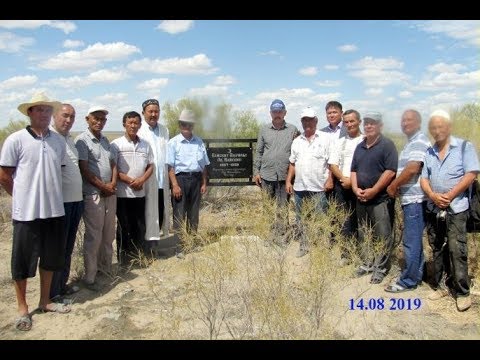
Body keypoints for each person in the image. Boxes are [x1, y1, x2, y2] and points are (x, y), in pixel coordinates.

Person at [0, 92, 71, 331]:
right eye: (38, 109)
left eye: (47, 110)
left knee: (50, 259)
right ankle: (22, 308)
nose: (43, 113)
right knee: (22, 261)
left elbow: (57, 172)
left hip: (53, 210)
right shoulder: (15, 140)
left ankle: (45, 301)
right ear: (29, 112)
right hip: (26, 214)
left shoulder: (58, 142)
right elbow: (5, 176)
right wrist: (22, 197)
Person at [420, 109, 479, 311]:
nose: (437, 131)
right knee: (437, 245)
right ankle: (440, 285)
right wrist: (433, 195)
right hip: (434, 206)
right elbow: (424, 178)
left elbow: (471, 173)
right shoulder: (429, 151)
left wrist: (451, 194)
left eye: (441, 126)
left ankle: (462, 292)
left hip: (457, 207)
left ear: (449, 127)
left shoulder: (464, 147)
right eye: (433, 127)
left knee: (456, 248)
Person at [384, 110, 431, 293]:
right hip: (410, 198)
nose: (405, 123)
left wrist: (394, 186)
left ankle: (408, 281)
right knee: (414, 241)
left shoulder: (419, 141)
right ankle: (414, 276)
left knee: (411, 241)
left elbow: (412, 168)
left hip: (416, 199)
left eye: (409, 120)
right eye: (403, 120)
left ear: (419, 123)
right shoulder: (411, 142)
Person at [351, 111, 398, 285]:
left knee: (382, 235)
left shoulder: (387, 145)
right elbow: (354, 170)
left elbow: (390, 171)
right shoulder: (360, 146)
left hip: (380, 199)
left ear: (380, 126)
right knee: (364, 233)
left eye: (373, 123)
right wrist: (356, 189)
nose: (369, 126)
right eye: (367, 123)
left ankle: (381, 268)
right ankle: (367, 264)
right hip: (361, 198)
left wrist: (374, 190)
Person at [75, 106, 117, 291]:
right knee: (94, 236)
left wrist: (113, 184)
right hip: (94, 195)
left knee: (108, 234)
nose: (99, 122)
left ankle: (105, 269)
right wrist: (103, 186)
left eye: (103, 119)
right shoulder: (82, 141)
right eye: (96, 118)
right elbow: (84, 169)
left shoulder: (105, 141)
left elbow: (113, 164)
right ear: (87, 119)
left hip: (109, 193)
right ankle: (90, 276)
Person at [49, 104, 84, 299]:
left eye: (72, 117)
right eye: (64, 116)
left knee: (68, 247)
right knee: (57, 249)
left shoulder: (69, 139)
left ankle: (62, 285)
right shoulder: (50, 139)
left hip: (76, 201)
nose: (68, 120)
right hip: (59, 204)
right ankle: (52, 292)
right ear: (55, 116)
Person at [286, 107, 330, 257]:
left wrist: (330, 180)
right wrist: (288, 181)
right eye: (304, 120)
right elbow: (292, 163)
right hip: (300, 187)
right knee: (302, 218)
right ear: (301, 122)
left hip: (319, 188)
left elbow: (331, 163)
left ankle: (323, 247)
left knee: (321, 218)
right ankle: (304, 246)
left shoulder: (325, 139)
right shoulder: (297, 141)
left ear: (316, 121)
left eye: (310, 119)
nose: (307, 123)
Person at [111, 111, 154, 265]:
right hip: (123, 195)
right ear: (124, 124)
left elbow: (151, 166)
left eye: (136, 123)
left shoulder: (145, 145)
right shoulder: (116, 144)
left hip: (140, 194)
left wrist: (142, 179)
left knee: (139, 226)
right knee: (123, 227)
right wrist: (130, 180)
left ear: (140, 125)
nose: (133, 126)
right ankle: (123, 259)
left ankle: (139, 257)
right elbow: (113, 167)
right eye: (130, 123)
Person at [167, 109, 210, 258]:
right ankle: (179, 246)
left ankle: (190, 243)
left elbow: (204, 165)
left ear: (193, 125)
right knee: (179, 214)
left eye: (189, 124)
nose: (187, 126)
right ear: (180, 124)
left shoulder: (199, 142)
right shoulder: (173, 142)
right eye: (184, 124)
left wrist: (204, 183)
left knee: (193, 213)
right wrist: (174, 185)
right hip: (180, 180)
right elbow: (170, 167)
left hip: (196, 180)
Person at [254, 99, 298, 242]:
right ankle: (268, 235)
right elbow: (259, 151)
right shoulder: (264, 130)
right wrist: (256, 172)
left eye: (280, 111)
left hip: (285, 177)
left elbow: (297, 151)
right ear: (270, 113)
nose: (277, 114)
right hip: (267, 175)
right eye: (274, 111)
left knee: (283, 207)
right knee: (267, 207)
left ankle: (281, 236)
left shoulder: (293, 130)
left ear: (285, 113)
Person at [138, 99, 170, 244]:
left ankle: (155, 242)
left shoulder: (164, 130)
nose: (153, 114)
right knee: (145, 213)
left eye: (156, 111)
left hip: (161, 180)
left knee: (160, 210)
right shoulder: (139, 130)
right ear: (143, 113)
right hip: (145, 179)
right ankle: (145, 244)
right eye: (150, 111)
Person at [328, 109, 364, 239]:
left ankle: (361, 250)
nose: (349, 124)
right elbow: (333, 164)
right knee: (344, 219)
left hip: (361, 187)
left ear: (359, 122)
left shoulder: (365, 140)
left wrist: (353, 182)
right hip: (342, 185)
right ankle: (346, 253)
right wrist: (344, 179)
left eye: (352, 121)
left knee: (361, 219)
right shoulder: (340, 142)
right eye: (346, 122)